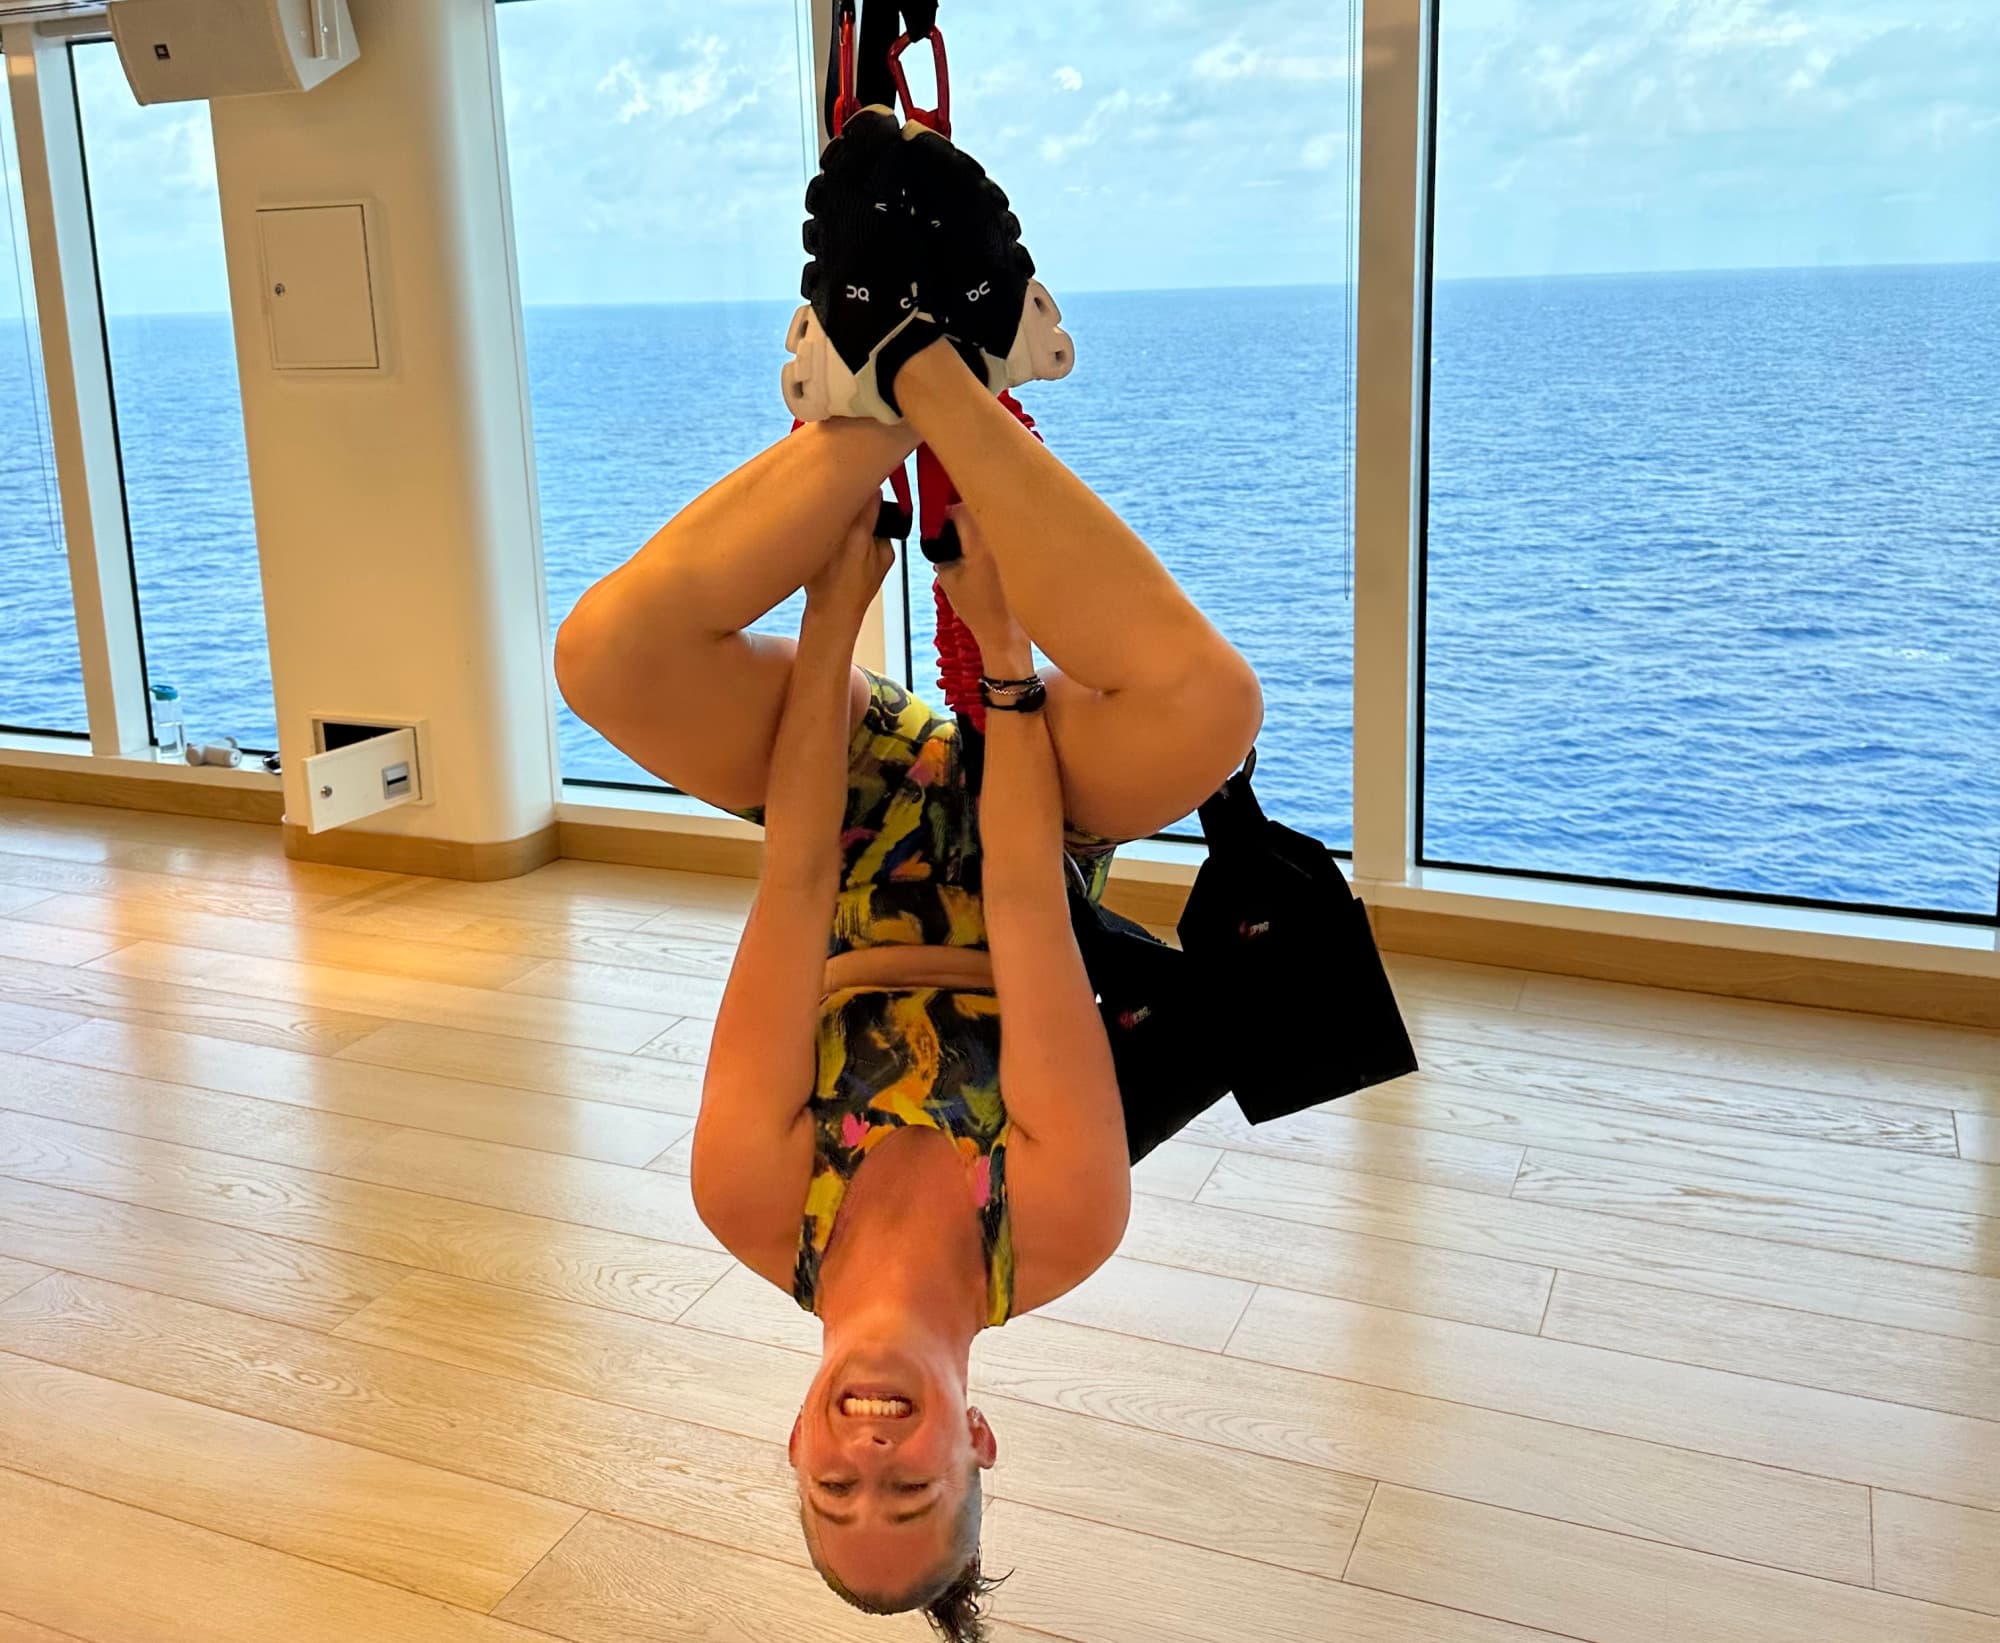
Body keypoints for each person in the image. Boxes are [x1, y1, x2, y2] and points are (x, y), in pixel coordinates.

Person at [553, 110, 1263, 1640]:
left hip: (854, 824)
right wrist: (996, 651)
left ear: (794, 1446)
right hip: (1030, 817)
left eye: (835, 1490)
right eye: (914, 1489)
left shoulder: (752, 1204)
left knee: (600, 660)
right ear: (977, 1442)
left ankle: (882, 387)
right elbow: (1025, 905)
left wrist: (837, 614)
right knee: (1211, 716)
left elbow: (794, 880)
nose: (871, 1461)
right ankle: (941, 370)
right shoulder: (1061, 1226)